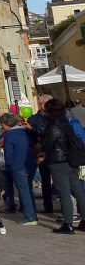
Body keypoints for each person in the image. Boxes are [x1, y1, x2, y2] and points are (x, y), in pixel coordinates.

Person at [39, 99, 85, 234]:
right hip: (72, 160)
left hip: (59, 161)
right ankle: (84, 220)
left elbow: (48, 145)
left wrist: (43, 152)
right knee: (78, 190)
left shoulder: (54, 126)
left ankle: (68, 223)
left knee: (64, 193)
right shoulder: (68, 123)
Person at [0, 112, 38, 225]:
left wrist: (8, 166)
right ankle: (32, 213)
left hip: (18, 166)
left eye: (2, 124)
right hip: (30, 163)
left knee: (24, 191)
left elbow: (9, 153)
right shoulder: (26, 132)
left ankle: (30, 217)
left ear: (6, 124)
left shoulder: (9, 135)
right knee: (29, 190)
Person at [26, 94, 55, 215]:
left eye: (42, 103)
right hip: (41, 152)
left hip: (54, 153)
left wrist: (33, 130)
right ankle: (48, 206)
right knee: (45, 180)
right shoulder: (33, 119)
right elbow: (31, 137)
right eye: (40, 104)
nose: (40, 106)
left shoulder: (55, 117)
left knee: (59, 180)